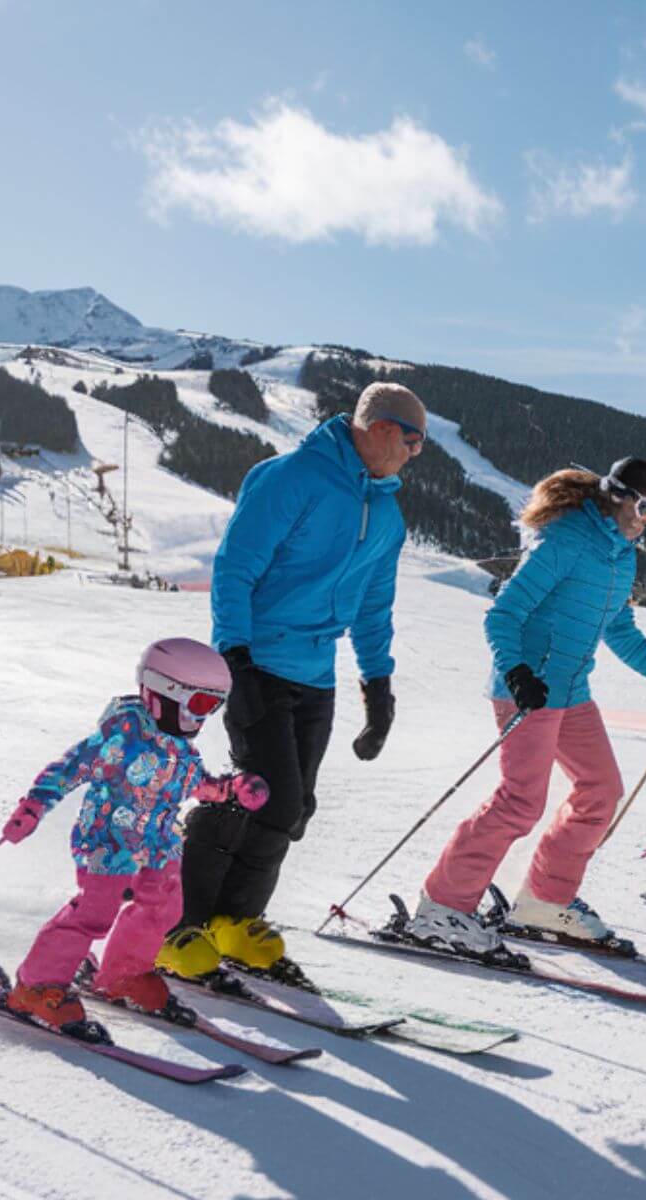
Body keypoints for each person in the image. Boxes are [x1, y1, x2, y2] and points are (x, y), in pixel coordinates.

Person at [161, 381, 425, 981]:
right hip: (259, 662)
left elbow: (374, 603)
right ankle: (177, 923)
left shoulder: (386, 511)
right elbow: (234, 569)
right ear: (381, 429)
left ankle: (233, 922)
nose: (415, 454)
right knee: (260, 796)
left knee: (292, 808)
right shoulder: (290, 478)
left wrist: (377, 686)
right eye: (413, 441)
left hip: (315, 675)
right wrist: (236, 655)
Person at [407, 458, 646, 955]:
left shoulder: (622, 556)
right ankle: (441, 907)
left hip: (570, 692)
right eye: (644, 506)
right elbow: (504, 614)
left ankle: (545, 900)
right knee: (521, 800)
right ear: (617, 496)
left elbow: (617, 628)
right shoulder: (567, 539)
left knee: (602, 790)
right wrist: (517, 671)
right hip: (527, 690)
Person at [0, 638, 269, 1031]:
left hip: (158, 843)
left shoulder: (181, 751)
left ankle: (123, 975)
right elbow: (69, 767)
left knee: (165, 905)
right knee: (94, 913)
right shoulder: (121, 738)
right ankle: (35, 987)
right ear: (163, 692)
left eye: (214, 706)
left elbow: (198, 785)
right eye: (199, 704)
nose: (203, 717)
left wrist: (232, 789)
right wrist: (34, 805)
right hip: (108, 843)